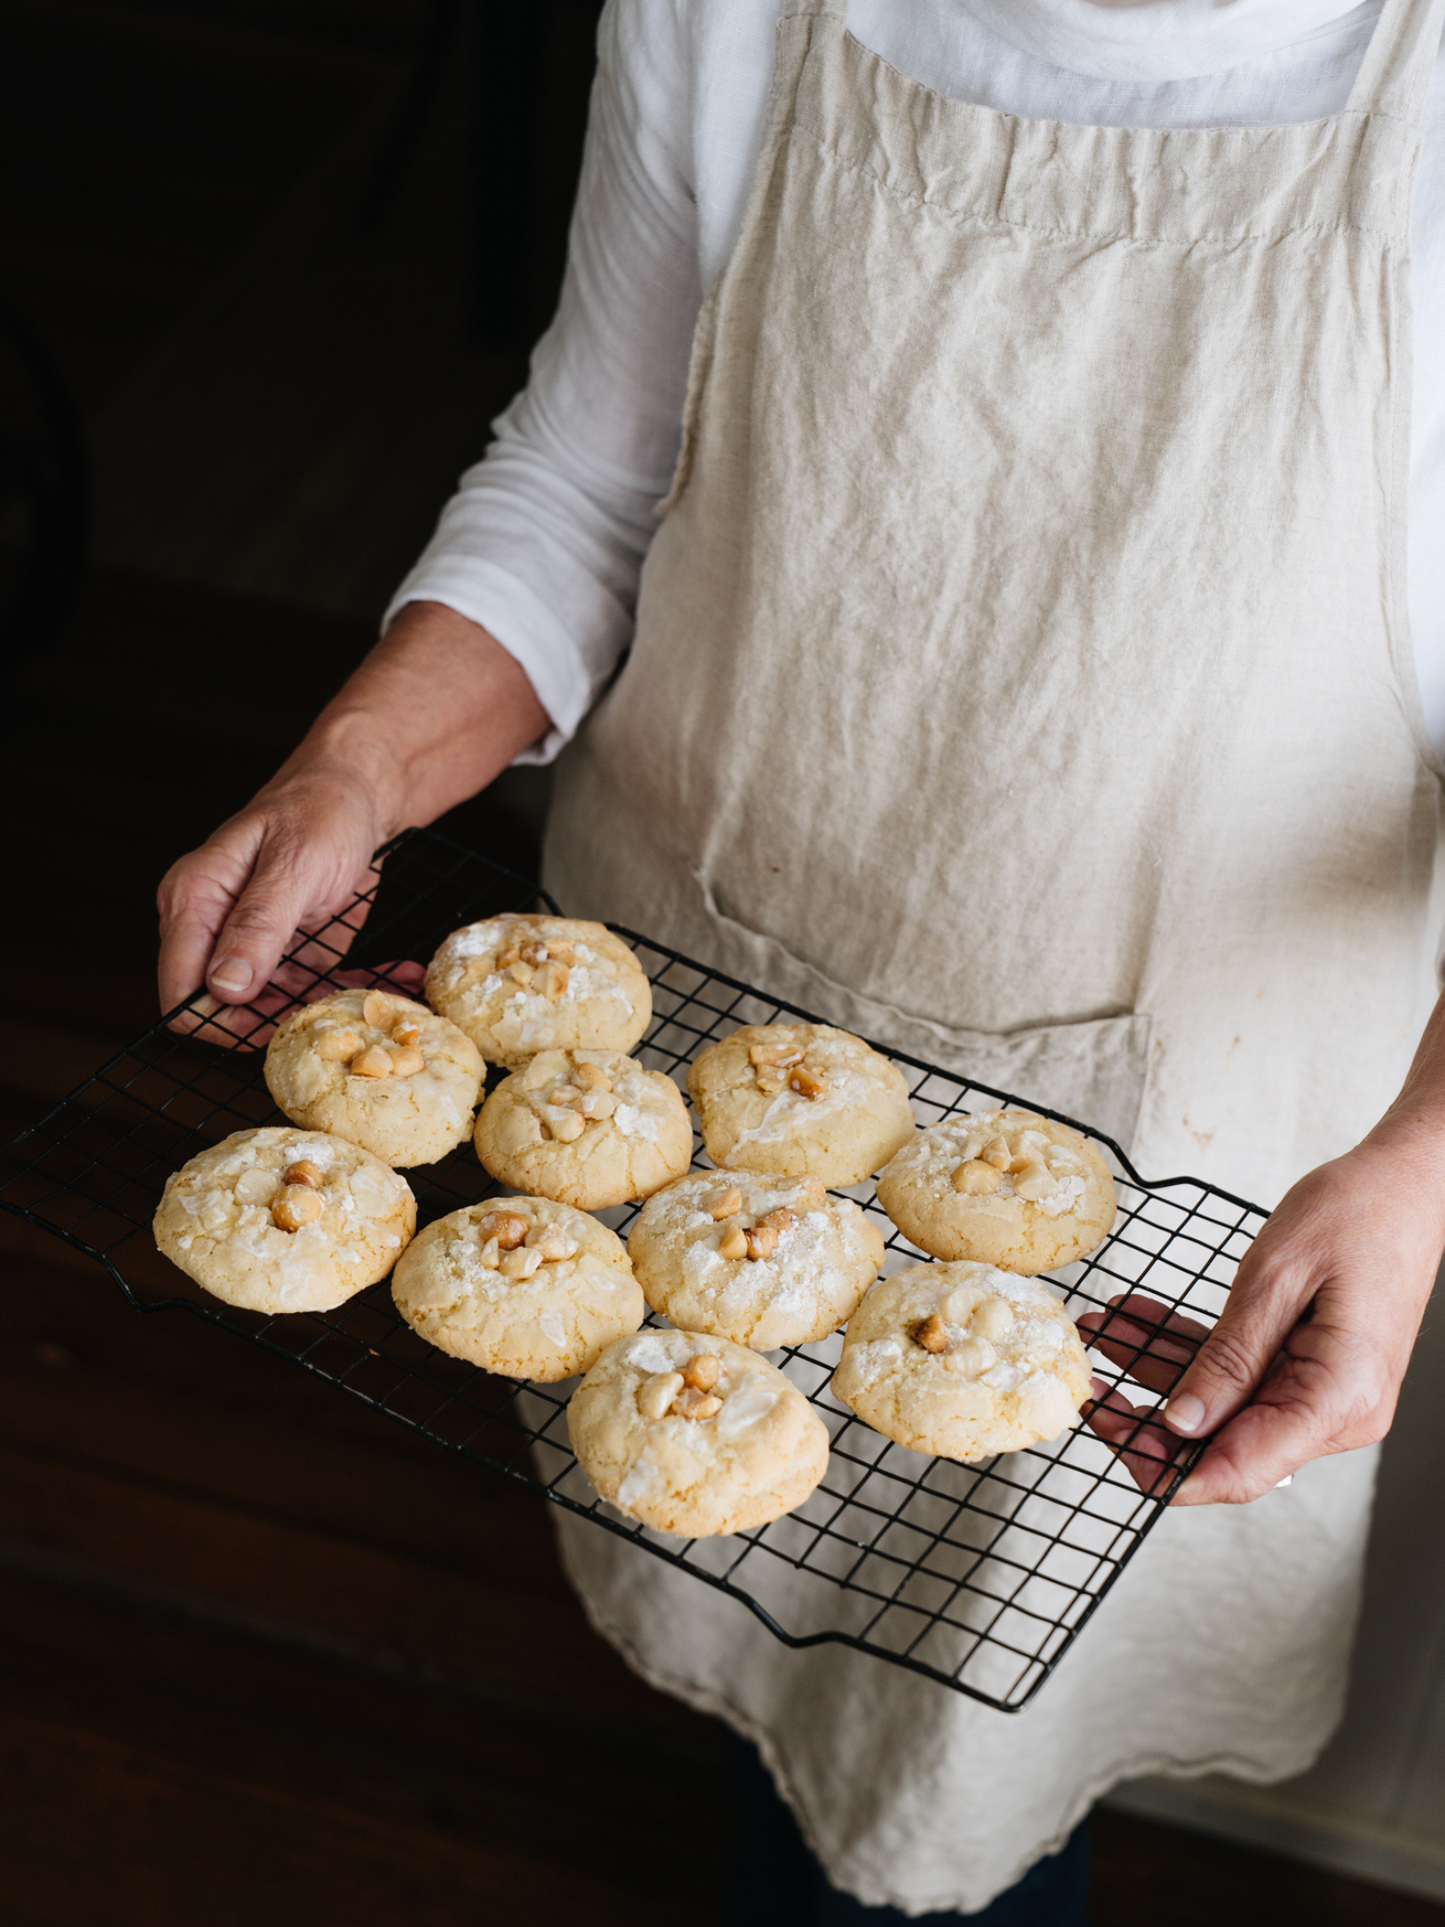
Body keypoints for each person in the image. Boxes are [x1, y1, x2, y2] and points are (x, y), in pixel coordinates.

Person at [157, 0, 1445, 1914]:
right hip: (689, 1010)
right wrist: (355, 761)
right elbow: (591, 476)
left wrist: (1424, 1158)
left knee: (956, 1780)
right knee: (730, 1552)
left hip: (1181, 1123)